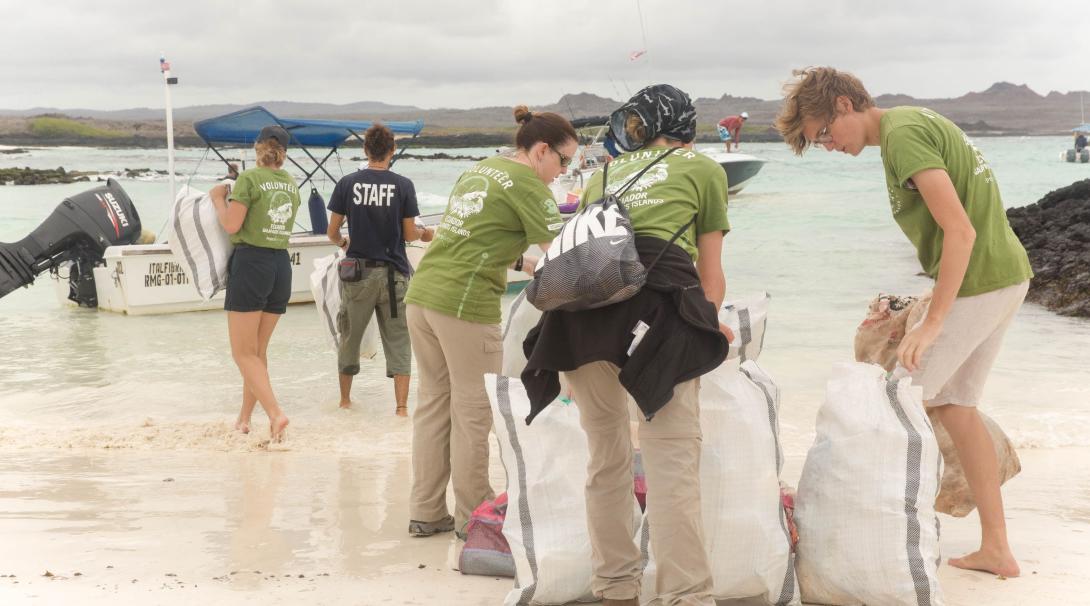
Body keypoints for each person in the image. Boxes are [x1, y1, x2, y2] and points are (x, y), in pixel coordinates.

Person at [776, 66, 1033, 578]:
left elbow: (960, 232)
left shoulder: (904, 135)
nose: (827, 146)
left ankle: (879, 541)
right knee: (956, 408)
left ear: (846, 105)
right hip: (1001, 277)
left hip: (981, 284)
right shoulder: (910, 126)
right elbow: (964, 229)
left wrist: (934, 322)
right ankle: (997, 549)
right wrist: (925, 303)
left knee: (890, 407)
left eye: (824, 133)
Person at [522, 84, 733, 606]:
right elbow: (711, 275)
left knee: (605, 456)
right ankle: (685, 595)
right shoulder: (704, 169)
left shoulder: (604, 173)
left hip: (579, 323)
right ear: (685, 125)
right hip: (658, 315)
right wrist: (709, 325)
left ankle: (615, 588)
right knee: (671, 460)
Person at [402, 106, 575, 538]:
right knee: (473, 412)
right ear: (541, 151)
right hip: (464, 304)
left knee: (433, 406)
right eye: (564, 160)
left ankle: (425, 511)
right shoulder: (529, 186)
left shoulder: (483, 169)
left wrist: (522, 262)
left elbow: (469, 234)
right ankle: (473, 517)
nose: (564, 170)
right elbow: (567, 252)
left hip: (423, 294)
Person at [326, 123, 433, 415]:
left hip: (358, 273)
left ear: (365, 150)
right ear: (392, 151)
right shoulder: (403, 185)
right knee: (398, 340)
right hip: (394, 276)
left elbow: (332, 231)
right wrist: (426, 234)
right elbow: (410, 234)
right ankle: (400, 409)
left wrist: (344, 241)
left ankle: (345, 402)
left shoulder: (348, 184)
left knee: (349, 336)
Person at [209, 125, 301, 442]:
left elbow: (232, 224)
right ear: (284, 154)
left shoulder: (248, 179)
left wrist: (217, 199)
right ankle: (244, 419)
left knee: (242, 353)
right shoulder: (290, 183)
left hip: (252, 264)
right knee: (257, 353)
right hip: (280, 266)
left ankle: (276, 414)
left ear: (258, 148)